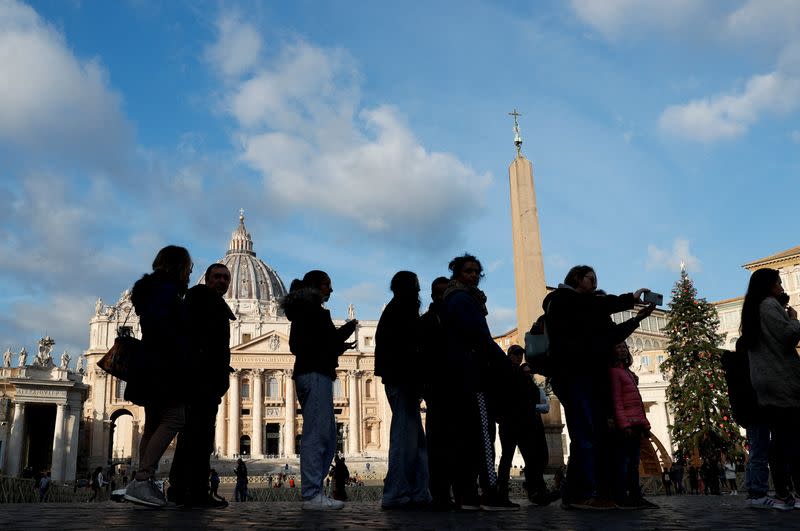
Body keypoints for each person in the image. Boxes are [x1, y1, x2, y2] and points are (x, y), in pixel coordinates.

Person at [544, 265, 653, 510]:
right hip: (575, 375)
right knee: (585, 435)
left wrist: (637, 319)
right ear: (576, 279)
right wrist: (629, 299)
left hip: (592, 377)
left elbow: (612, 335)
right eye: (590, 279)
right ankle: (585, 493)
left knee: (593, 436)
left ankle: (593, 491)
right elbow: (592, 309)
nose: (594, 283)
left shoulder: (590, 309)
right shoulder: (561, 300)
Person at [442, 254, 515, 511]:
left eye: (476, 272)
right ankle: (488, 493)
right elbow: (480, 337)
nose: (473, 275)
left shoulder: (453, 299)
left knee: (466, 437)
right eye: (468, 271)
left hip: (460, 374)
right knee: (482, 436)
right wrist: (505, 364)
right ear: (457, 273)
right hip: (472, 375)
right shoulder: (463, 299)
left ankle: (467, 494)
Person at [281, 270, 357, 510]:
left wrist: (336, 344)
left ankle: (315, 493)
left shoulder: (305, 311)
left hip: (314, 372)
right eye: (327, 285)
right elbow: (308, 344)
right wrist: (342, 334)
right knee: (317, 435)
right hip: (314, 373)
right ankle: (312, 495)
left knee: (325, 433)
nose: (331, 290)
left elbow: (313, 343)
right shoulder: (311, 311)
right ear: (316, 286)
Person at [124, 245, 192, 507]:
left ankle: (141, 483)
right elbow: (168, 330)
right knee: (175, 418)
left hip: (150, 364)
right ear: (179, 267)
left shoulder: (150, 290)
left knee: (152, 424)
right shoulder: (167, 292)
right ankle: (142, 479)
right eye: (188, 267)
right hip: (165, 365)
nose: (190, 272)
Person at [168, 263, 234, 509]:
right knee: (197, 438)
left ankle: (183, 489)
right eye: (217, 277)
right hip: (200, 380)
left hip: (207, 380)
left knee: (195, 437)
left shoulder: (209, 302)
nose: (222, 281)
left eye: (226, 278)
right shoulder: (201, 301)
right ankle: (193, 490)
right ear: (206, 279)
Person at [740, 268, 800, 510]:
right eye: (778, 282)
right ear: (769, 285)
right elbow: (787, 336)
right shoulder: (768, 306)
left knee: (782, 438)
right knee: (789, 439)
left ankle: (785, 491)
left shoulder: (754, 309)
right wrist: (794, 319)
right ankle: (787, 492)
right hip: (781, 380)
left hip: (768, 383)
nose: (781, 287)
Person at [376, 271, 431, 510]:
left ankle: (419, 492)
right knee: (403, 439)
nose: (419, 291)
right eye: (416, 286)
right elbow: (410, 349)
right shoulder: (401, 310)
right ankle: (396, 493)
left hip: (401, 379)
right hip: (403, 380)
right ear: (406, 288)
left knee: (417, 441)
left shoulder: (396, 310)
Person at [496, 345, 557, 507]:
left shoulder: (524, 378)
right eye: (515, 354)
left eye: (520, 354)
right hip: (510, 423)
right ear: (508, 356)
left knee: (530, 459)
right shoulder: (507, 374)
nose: (518, 357)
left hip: (523, 424)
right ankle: (503, 493)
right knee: (508, 458)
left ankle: (535, 491)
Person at [419, 276, 456, 510]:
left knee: (456, 441)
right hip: (437, 388)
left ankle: (455, 492)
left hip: (456, 386)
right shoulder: (427, 322)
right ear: (434, 295)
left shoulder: (455, 319)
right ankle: (441, 493)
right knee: (438, 441)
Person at [608, 342, 657, 509]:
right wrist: (624, 425)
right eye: (619, 346)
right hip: (626, 424)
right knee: (625, 462)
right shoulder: (615, 373)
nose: (622, 349)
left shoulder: (627, 372)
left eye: (624, 347)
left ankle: (636, 496)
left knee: (633, 463)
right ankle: (623, 496)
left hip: (635, 423)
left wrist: (645, 425)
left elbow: (637, 402)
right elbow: (617, 400)